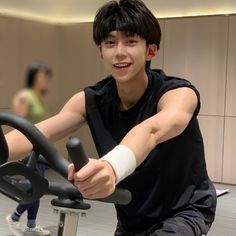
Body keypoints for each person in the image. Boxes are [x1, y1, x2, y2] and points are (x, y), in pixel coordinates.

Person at [5, 0, 216, 235]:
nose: (119, 52)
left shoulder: (178, 93)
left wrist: (111, 166)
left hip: (183, 210)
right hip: (131, 215)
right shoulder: (91, 99)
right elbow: (38, 133)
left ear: (150, 50)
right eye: (110, 43)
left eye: (131, 41)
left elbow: (152, 131)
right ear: (101, 52)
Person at [6, 62, 52, 236]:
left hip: (38, 150)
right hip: (29, 151)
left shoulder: (37, 96)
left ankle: (30, 225)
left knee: (38, 189)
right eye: (41, 76)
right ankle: (15, 217)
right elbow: (19, 125)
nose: (44, 80)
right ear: (33, 76)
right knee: (36, 188)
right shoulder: (25, 96)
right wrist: (21, 152)